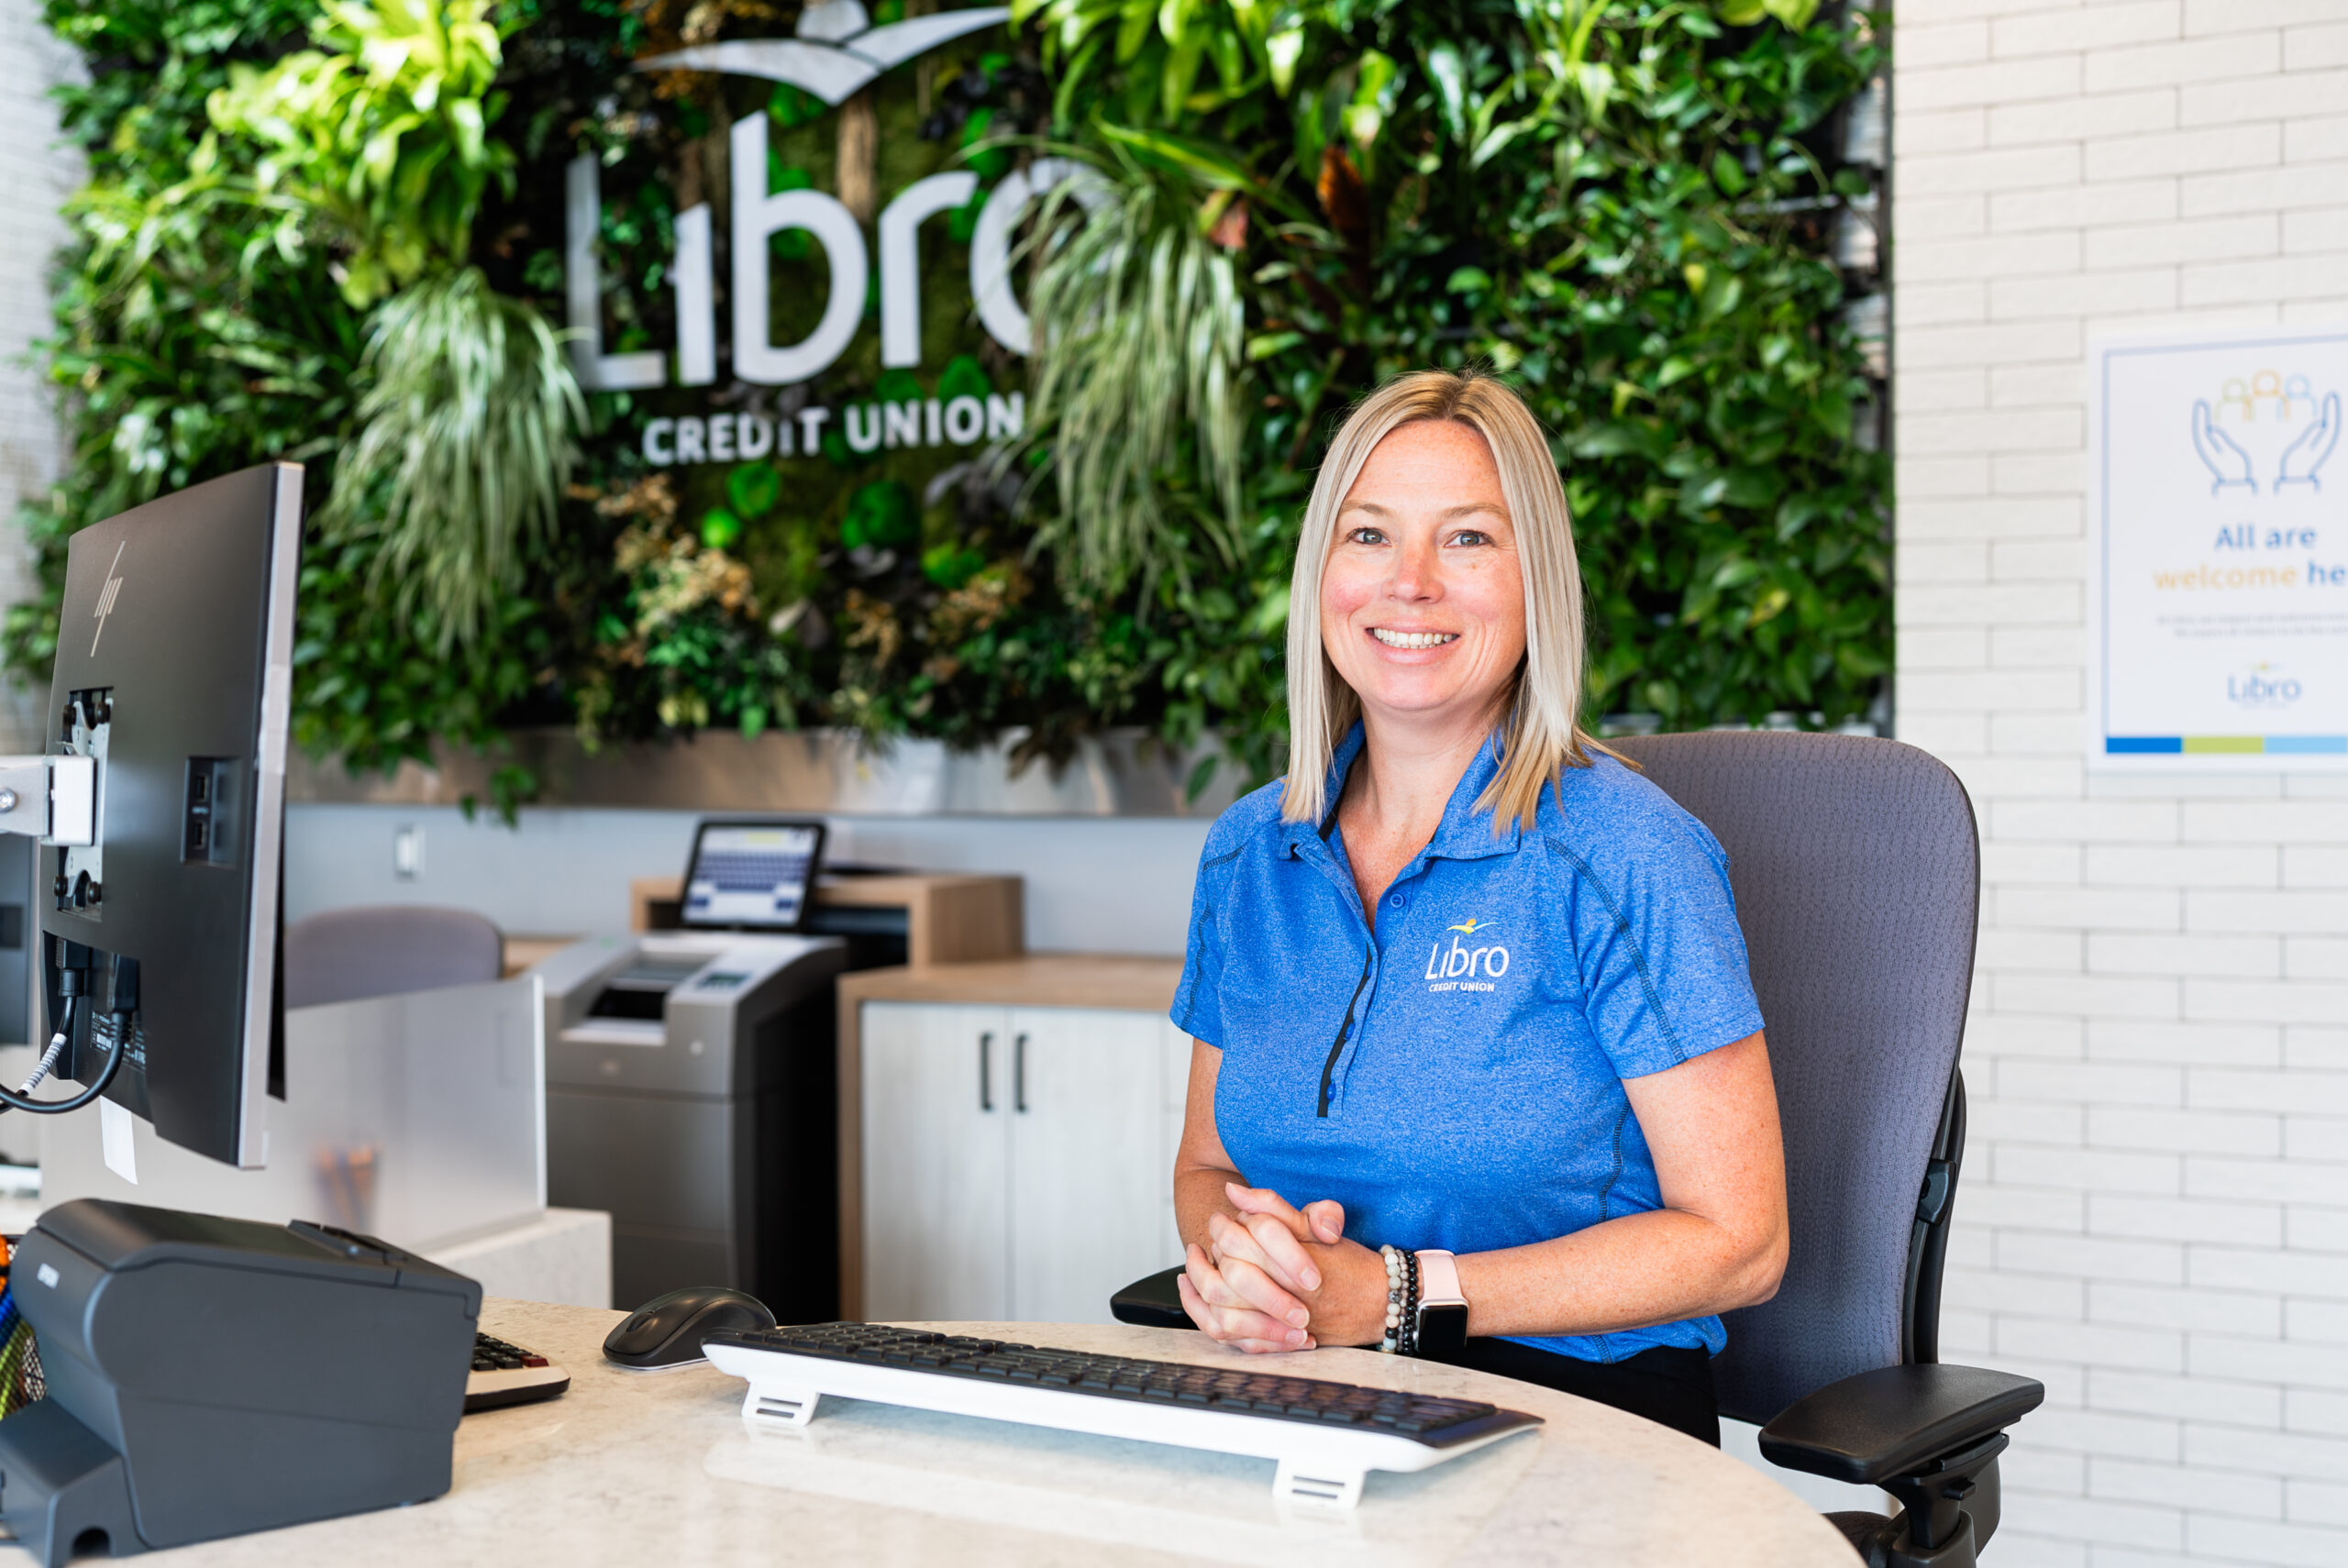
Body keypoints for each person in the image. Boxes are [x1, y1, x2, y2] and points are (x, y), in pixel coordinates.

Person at [1168, 368, 1788, 1446]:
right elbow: (1207, 1168)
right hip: (1307, 1393)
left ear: (1534, 581)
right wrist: (1248, 1265)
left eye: (1466, 539)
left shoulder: (1620, 853)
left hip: (1580, 1411)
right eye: (1367, 535)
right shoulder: (1248, 857)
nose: (1409, 583)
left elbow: (1741, 1241)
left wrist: (1398, 1295)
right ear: (1323, 572)